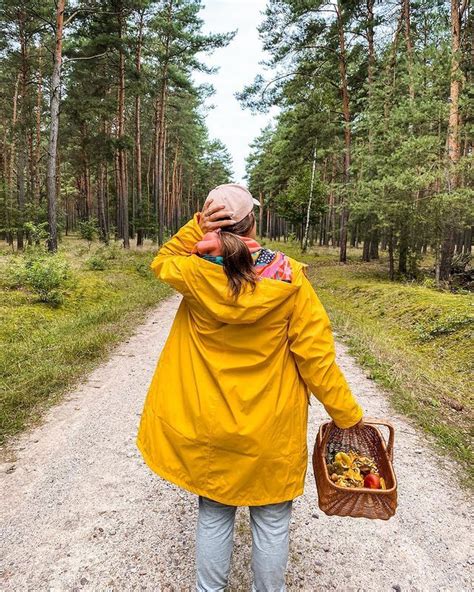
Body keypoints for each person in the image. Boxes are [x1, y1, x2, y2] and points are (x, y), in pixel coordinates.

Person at [136, 183, 364, 592]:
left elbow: (162, 259)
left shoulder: (194, 270)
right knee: (273, 520)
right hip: (271, 431)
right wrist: (347, 415)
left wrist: (196, 228)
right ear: (253, 222)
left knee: (215, 511)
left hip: (211, 428)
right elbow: (317, 358)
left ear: (210, 222)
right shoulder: (289, 277)